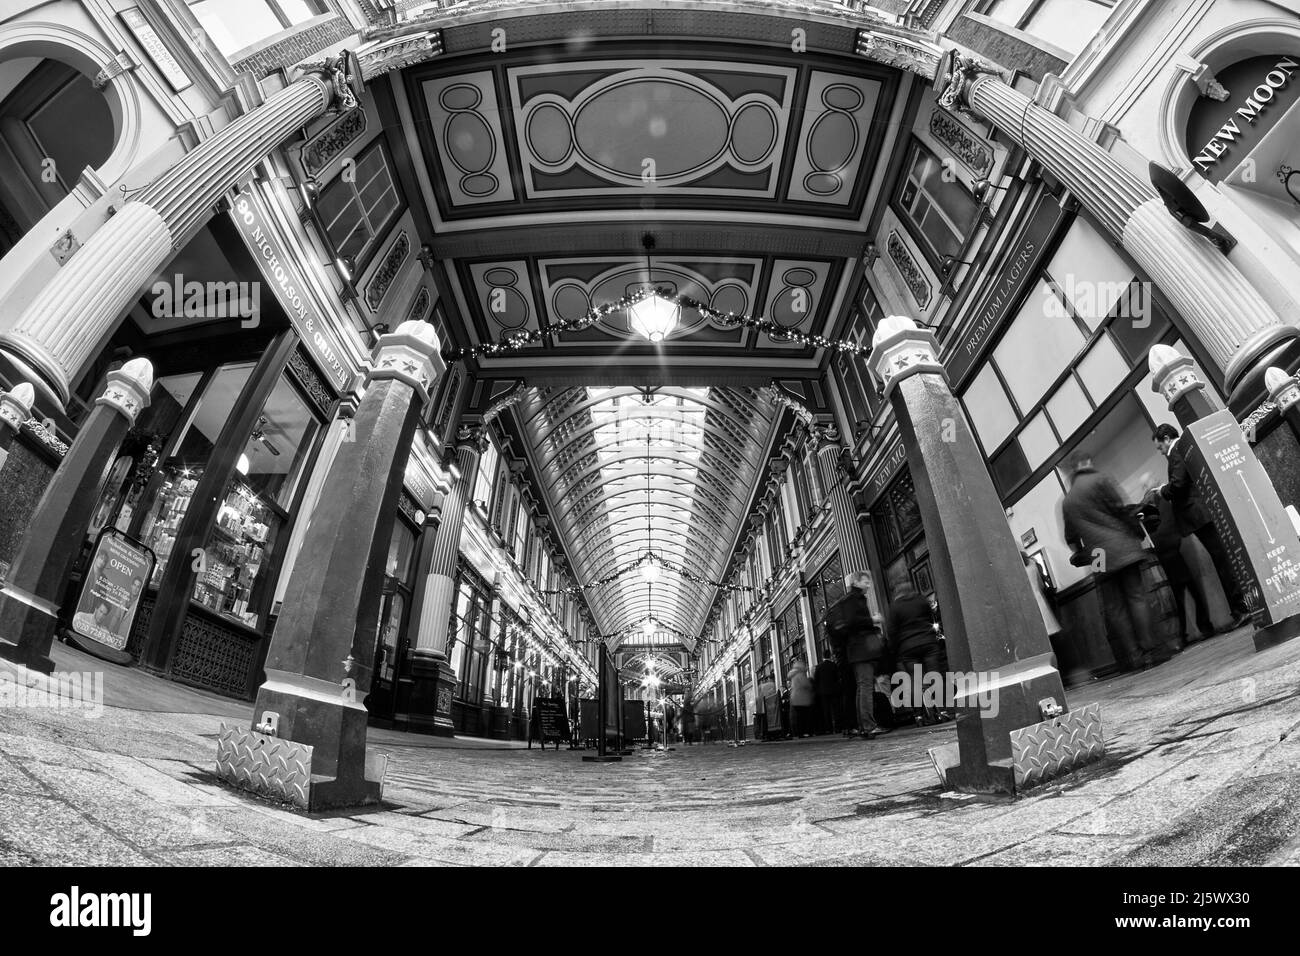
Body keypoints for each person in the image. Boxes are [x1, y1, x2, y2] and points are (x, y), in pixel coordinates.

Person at [1062, 451, 1159, 670]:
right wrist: (1137, 531)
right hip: (1122, 543)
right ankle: (1150, 651)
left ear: (1073, 468)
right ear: (1087, 463)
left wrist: (1083, 550)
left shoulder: (1067, 501)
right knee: (1136, 597)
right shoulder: (1101, 479)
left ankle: (1134, 657)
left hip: (1098, 555)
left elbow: (1071, 537)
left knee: (1114, 608)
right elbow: (1120, 509)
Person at [1153, 423, 1253, 631]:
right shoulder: (1183, 448)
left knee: (1222, 561)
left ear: (1166, 439)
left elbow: (1178, 485)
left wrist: (1163, 491)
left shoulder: (1177, 450)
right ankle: (1241, 606)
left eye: (1159, 447)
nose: (1160, 451)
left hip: (1198, 516)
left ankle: (1241, 608)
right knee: (1223, 559)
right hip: (1202, 514)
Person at [1139, 487, 1221, 644]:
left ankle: (1181, 635)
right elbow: (1170, 525)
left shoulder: (1146, 508)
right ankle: (1202, 627)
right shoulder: (1163, 503)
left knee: (1178, 596)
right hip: (1174, 552)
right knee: (1190, 592)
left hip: (1164, 556)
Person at [825, 570, 891, 739]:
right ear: (856, 582)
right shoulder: (853, 600)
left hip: (857, 650)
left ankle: (863, 725)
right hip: (860, 650)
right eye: (866, 582)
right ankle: (868, 726)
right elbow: (854, 622)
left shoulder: (854, 599)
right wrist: (873, 620)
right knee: (865, 686)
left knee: (862, 687)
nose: (869, 585)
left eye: (869, 582)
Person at [885, 580, 946, 724]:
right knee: (934, 676)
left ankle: (920, 715)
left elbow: (892, 632)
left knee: (916, 681)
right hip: (928, 643)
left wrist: (895, 651)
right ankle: (943, 710)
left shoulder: (895, 607)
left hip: (908, 649)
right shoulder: (921, 600)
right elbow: (933, 618)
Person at [813, 656, 840, 735]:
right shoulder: (833, 665)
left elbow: (816, 680)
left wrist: (818, 690)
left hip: (823, 692)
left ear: (823, 657)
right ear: (829, 656)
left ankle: (829, 729)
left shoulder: (819, 666)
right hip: (833, 690)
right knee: (835, 709)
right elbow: (837, 677)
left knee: (826, 710)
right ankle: (838, 727)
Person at [787, 660, 815, 737]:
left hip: (795, 698)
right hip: (802, 699)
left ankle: (799, 733)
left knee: (799, 717)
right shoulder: (800, 674)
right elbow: (806, 684)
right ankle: (804, 732)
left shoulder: (793, 675)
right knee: (804, 716)